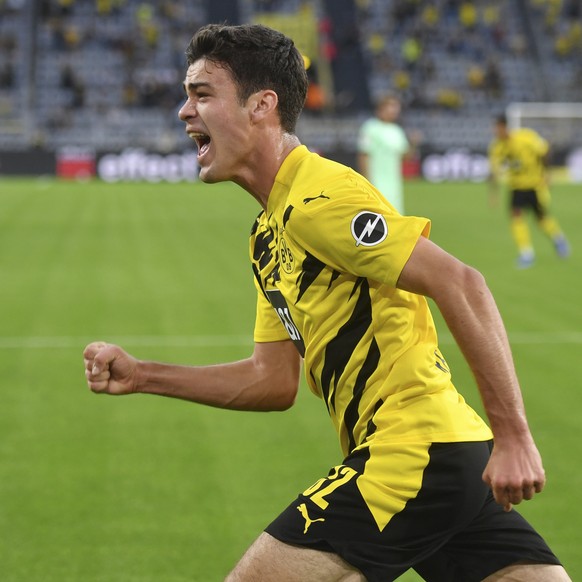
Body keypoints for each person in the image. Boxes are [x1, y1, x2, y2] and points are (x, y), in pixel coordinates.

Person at [83, 24, 571, 581]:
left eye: (201, 94)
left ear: (261, 106)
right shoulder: (267, 235)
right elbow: (271, 381)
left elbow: (463, 283)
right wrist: (144, 375)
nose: (183, 111)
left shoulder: (320, 199)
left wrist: (514, 437)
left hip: (413, 450)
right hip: (442, 455)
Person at [488, 114, 570, 269]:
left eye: (497, 127)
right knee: (516, 217)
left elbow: (544, 152)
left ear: (504, 126)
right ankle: (526, 254)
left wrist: (548, 175)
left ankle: (558, 238)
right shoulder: (497, 147)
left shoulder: (526, 137)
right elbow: (494, 171)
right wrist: (493, 195)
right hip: (516, 187)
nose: (494, 131)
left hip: (535, 185)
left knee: (541, 220)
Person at [357, 93, 419, 214]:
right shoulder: (370, 128)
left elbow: (406, 156)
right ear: (380, 109)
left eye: (396, 108)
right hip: (376, 182)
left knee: (394, 215)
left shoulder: (397, 131)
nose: (394, 111)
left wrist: (414, 143)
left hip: (394, 184)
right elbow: (363, 155)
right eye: (391, 107)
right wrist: (366, 181)